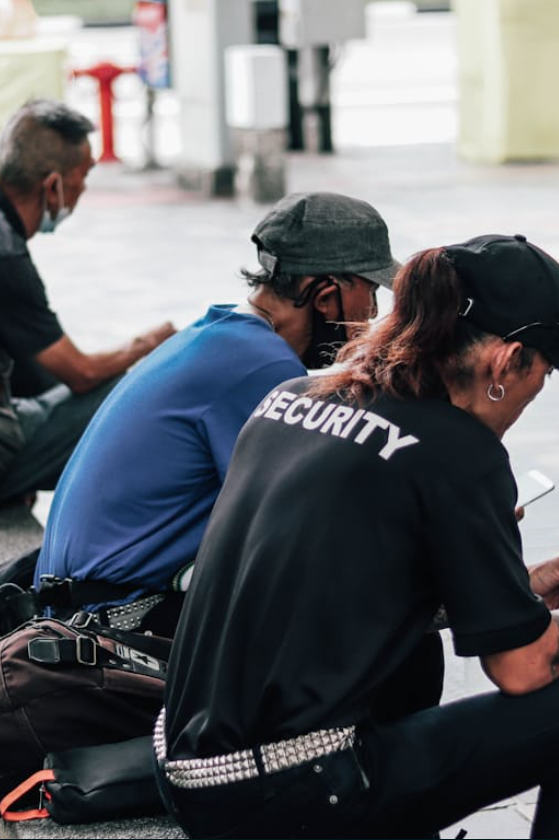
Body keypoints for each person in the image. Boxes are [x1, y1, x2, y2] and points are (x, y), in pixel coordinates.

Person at [156, 233, 559, 840]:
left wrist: (521, 590)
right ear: (505, 362)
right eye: (545, 373)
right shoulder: (460, 452)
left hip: (184, 770)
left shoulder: (292, 396)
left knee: (417, 652)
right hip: (286, 796)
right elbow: (522, 670)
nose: (538, 393)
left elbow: (344, 593)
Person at [34, 191, 400, 635]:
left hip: (82, 599)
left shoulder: (222, 335)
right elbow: (297, 522)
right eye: (371, 291)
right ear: (325, 293)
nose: (373, 315)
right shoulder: (262, 366)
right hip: (118, 618)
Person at [0, 98, 175, 503]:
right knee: (134, 386)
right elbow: (80, 372)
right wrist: (150, 344)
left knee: (44, 373)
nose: (84, 188)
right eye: (85, 174)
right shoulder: (6, 254)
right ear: (54, 185)